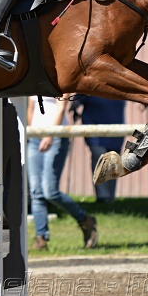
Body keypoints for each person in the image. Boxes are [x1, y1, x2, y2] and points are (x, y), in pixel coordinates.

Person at [27, 95, 98, 251]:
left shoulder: (60, 81)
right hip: (35, 137)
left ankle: (85, 220)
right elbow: (31, 108)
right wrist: (31, 132)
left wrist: (50, 135)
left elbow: (61, 108)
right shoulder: (34, 78)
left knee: (50, 191)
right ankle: (41, 238)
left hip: (56, 136)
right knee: (35, 191)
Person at [71, 94, 125, 203]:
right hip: (94, 129)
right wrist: (74, 108)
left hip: (116, 128)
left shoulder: (120, 83)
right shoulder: (90, 82)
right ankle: (102, 196)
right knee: (99, 158)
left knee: (113, 162)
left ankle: (110, 198)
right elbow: (75, 103)